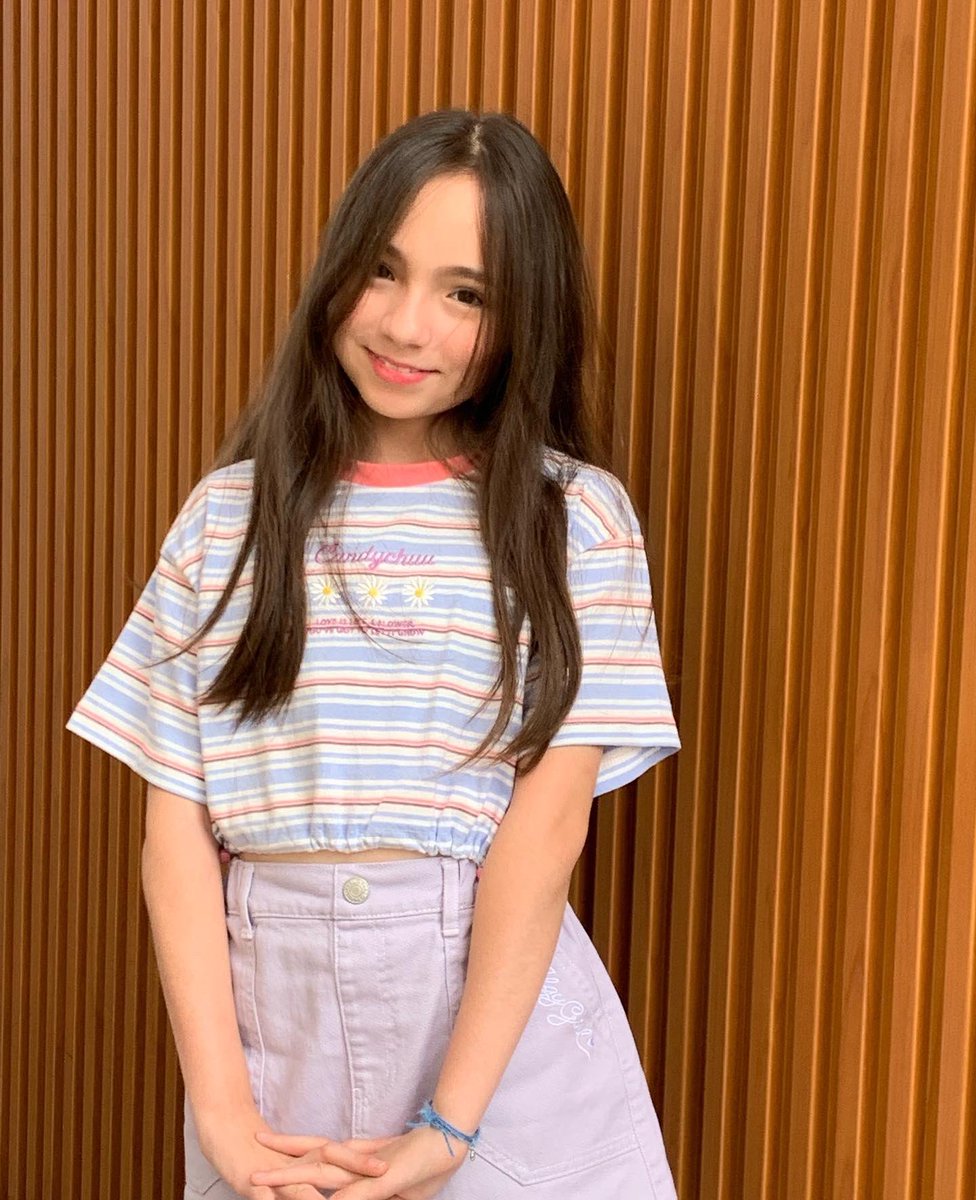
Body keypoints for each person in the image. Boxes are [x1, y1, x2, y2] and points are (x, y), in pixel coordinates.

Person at [66, 108, 681, 1200]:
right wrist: (223, 1115)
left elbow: (546, 834)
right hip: (274, 1037)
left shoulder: (574, 521)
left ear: (524, 315)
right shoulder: (227, 520)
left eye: (466, 294)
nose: (406, 325)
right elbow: (176, 838)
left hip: (497, 1040)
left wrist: (450, 1124)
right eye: (383, 271)